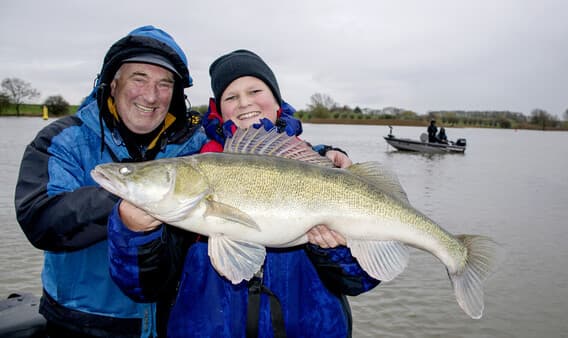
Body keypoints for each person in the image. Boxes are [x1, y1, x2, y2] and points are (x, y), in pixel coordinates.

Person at [108, 49, 380, 337]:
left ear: (277, 100)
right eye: (231, 97)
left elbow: (361, 280)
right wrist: (136, 234)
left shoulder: (327, 169)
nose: (245, 102)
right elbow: (142, 288)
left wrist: (331, 249)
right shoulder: (188, 176)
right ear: (219, 109)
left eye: (255, 90)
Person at [14, 25, 206, 337]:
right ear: (112, 83)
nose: (151, 95)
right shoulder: (62, 139)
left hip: (172, 324)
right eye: (139, 78)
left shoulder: (197, 147)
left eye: (164, 84)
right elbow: (39, 218)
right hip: (82, 324)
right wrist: (123, 201)